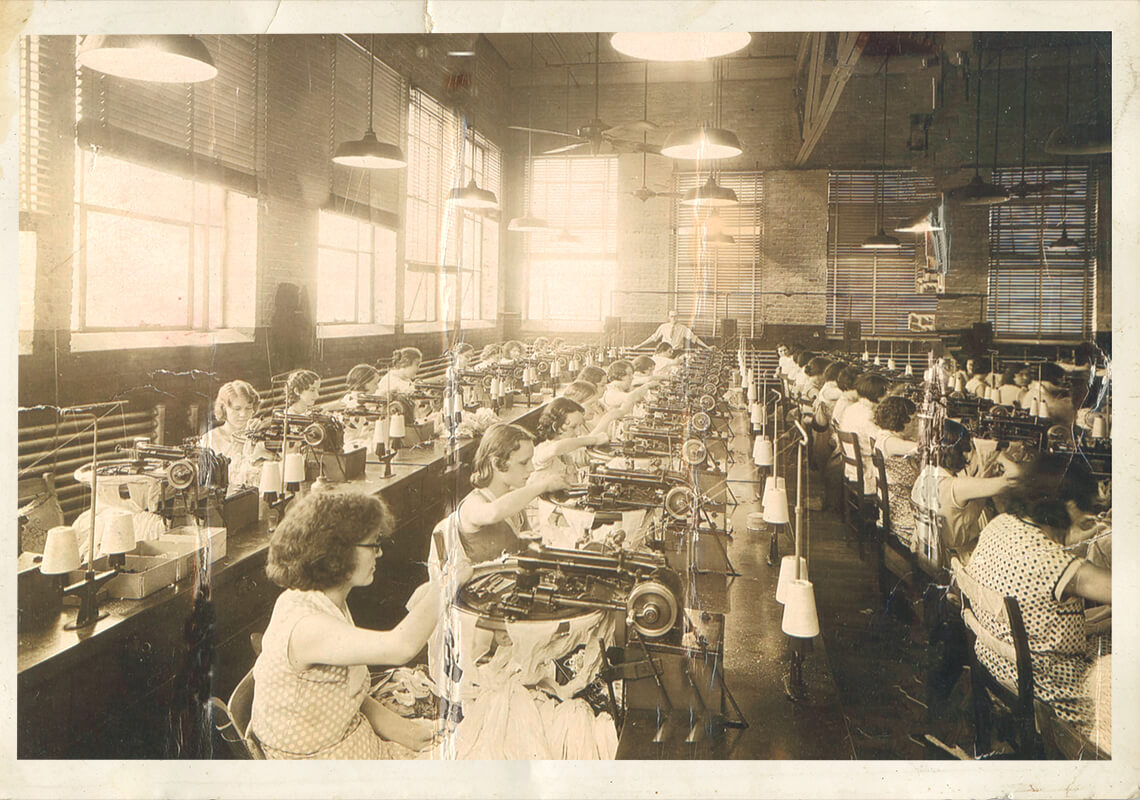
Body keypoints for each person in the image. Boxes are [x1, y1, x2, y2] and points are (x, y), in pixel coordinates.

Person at [249, 490, 444, 759]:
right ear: (335, 554)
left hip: (348, 743)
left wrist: (408, 732)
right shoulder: (308, 626)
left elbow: (344, 693)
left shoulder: (319, 600)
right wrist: (446, 584)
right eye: (373, 544)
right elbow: (402, 647)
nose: (379, 553)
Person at [961, 454, 1111, 743]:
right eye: (1087, 507)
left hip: (999, 666)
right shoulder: (1057, 564)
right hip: (1052, 693)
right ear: (1069, 506)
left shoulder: (1000, 524)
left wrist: (1072, 537)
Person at [911, 419, 1023, 563]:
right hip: (957, 560)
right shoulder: (957, 486)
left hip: (927, 555)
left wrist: (985, 473)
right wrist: (1000, 455)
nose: (968, 455)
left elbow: (971, 492)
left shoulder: (924, 475)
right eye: (966, 450)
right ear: (957, 452)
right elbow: (1015, 479)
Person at [455, 424, 568, 563]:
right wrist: (544, 486)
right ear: (497, 463)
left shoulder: (515, 501)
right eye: (524, 463)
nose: (532, 468)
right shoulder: (471, 504)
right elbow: (494, 513)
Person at [531, 397, 628, 484]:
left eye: (580, 426)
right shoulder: (541, 451)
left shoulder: (568, 450)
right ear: (556, 426)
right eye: (573, 427)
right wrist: (594, 440)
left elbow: (583, 456)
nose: (578, 432)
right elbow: (556, 448)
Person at [871, 396, 920, 549]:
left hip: (895, 504)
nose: (916, 424)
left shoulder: (883, 436)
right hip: (901, 513)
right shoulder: (891, 442)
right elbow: (921, 449)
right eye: (913, 419)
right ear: (901, 420)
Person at [200, 380, 265, 489]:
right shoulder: (210, 439)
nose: (243, 414)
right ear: (224, 408)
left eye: (248, 408)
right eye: (237, 409)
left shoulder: (259, 435)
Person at [634, 309, 709, 351]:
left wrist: (707, 347)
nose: (674, 318)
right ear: (668, 317)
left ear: (678, 317)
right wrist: (639, 346)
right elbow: (653, 338)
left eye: (675, 316)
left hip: (677, 352)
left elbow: (694, 338)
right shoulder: (663, 327)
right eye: (672, 316)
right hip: (664, 352)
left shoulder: (683, 328)